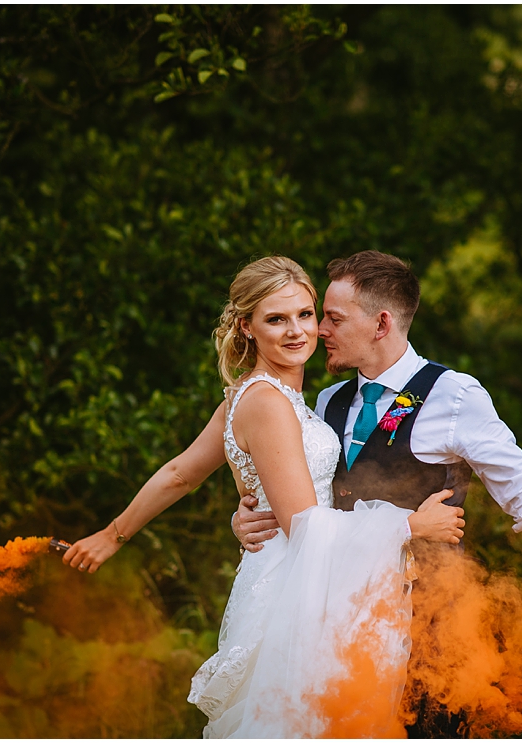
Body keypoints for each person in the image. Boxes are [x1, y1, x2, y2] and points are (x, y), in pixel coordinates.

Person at [233, 251, 522, 735]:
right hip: (339, 623)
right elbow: (307, 504)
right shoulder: (327, 401)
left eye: (333, 318)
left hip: (431, 629)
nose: (319, 330)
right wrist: (252, 514)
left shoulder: (454, 396)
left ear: (381, 323)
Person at [63, 256, 464, 738]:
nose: (296, 331)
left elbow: (178, 474)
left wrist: (113, 534)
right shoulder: (269, 404)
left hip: (301, 570)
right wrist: (408, 527)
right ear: (246, 327)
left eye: (305, 315)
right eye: (276, 319)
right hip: (297, 582)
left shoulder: (255, 396)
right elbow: (305, 527)